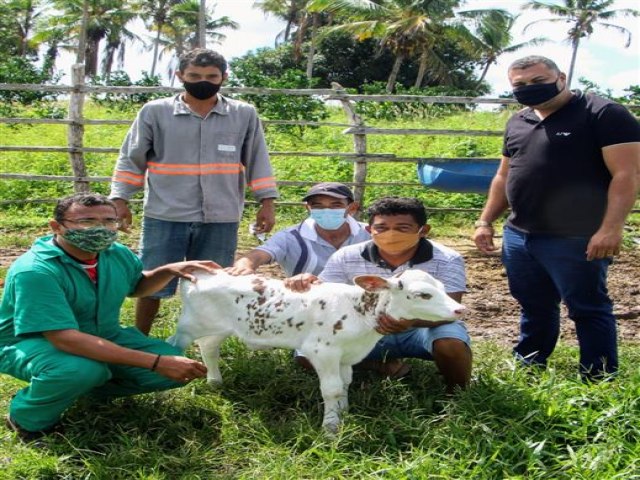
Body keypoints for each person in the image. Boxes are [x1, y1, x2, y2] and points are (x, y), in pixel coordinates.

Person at [473, 55, 640, 379]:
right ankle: (529, 364)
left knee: (587, 308)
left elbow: (627, 175)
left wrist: (610, 229)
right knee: (533, 305)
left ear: (561, 78)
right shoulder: (518, 121)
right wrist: (486, 220)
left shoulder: (603, 114)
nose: (528, 89)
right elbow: (504, 176)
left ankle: (599, 378)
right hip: (520, 235)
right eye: (519, 85)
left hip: (576, 236)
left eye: (537, 81)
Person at [0, 193, 218, 442]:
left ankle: (77, 388)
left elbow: (137, 287)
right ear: (56, 226)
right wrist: (155, 361)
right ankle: (27, 418)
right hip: (33, 343)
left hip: (101, 334)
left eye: (108, 221)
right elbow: (64, 339)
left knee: (171, 369)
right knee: (81, 370)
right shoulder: (35, 271)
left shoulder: (115, 253)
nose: (100, 229)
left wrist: (168, 270)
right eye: (87, 221)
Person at [109, 48, 278, 335]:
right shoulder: (155, 112)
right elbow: (131, 158)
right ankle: (141, 337)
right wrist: (120, 199)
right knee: (153, 280)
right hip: (166, 212)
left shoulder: (243, 114)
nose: (204, 81)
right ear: (180, 76)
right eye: (195, 76)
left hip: (221, 214)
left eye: (211, 76)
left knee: (214, 282)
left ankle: (208, 342)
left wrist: (267, 202)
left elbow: (257, 159)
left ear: (224, 77)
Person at [285, 197, 472, 392]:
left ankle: (459, 392)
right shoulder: (346, 256)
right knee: (306, 355)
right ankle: (381, 366)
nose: (391, 234)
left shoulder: (447, 258)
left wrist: (410, 322)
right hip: (365, 328)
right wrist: (308, 282)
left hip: (422, 328)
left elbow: (452, 308)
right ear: (369, 230)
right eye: (382, 228)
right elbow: (328, 294)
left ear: (423, 230)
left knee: (450, 344)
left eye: (403, 228)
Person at [228, 182, 370, 277]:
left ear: (352, 208)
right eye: (318, 206)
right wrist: (244, 265)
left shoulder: (371, 234)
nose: (326, 211)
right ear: (308, 208)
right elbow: (260, 254)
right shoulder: (291, 237)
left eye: (335, 205)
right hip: (307, 305)